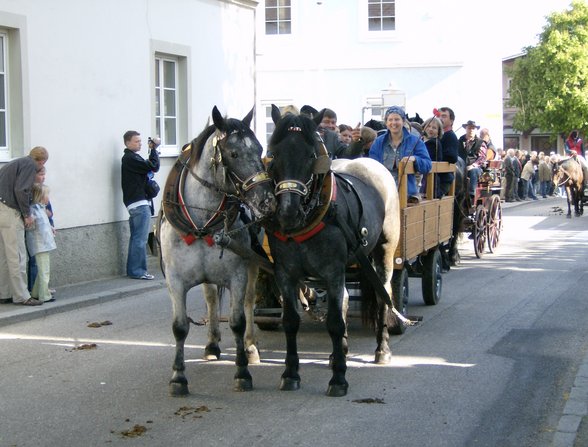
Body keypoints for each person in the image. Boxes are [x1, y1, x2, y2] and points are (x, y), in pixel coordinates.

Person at [0, 146, 49, 306]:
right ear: (42, 161)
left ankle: (5, 293)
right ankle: (22, 296)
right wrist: (27, 214)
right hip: (11, 212)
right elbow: (22, 190)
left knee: (4, 256)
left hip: (2, 209)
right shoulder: (29, 165)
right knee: (18, 256)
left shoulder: (14, 164)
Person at [369, 105, 432, 202]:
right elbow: (372, 165)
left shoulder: (415, 141)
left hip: (407, 193)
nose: (393, 123)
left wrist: (415, 159)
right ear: (386, 122)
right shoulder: (378, 142)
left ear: (403, 121)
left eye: (397, 119)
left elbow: (428, 165)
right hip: (382, 191)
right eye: (390, 120)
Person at [121, 130, 160, 280]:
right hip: (139, 204)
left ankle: (133, 270)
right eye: (136, 141)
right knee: (140, 239)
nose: (140, 143)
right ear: (127, 143)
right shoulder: (130, 158)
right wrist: (154, 149)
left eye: (140, 141)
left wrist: (152, 150)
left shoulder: (131, 158)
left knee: (136, 238)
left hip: (135, 204)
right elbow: (153, 166)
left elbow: (149, 167)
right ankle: (138, 271)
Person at [26, 166, 55, 294]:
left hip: (44, 240)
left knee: (43, 268)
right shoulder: (32, 195)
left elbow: (49, 214)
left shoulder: (41, 197)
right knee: (37, 266)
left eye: (44, 175)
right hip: (39, 241)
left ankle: (40, 290)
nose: (43, 177)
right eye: (41, 175)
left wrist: (51, 225)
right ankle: (37, 291)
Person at [458, 120, 487, 199]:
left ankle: (471, 195)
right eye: (469, 128)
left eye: (473, 128)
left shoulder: (481, 143)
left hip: (476, 168)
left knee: (473, 171)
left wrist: (473, 165)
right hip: (461, 166)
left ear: (476, 130)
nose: (471, 130)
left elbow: (482, 158)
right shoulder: (459, 141)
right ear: (466, 129)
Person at [420, 116, 444, 197]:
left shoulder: (434, 143)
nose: (430, 129)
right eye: (429, 126)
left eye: (434, 128)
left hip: (429, 177)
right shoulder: (420, 141)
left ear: (438, 132)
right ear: (424, 127)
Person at [437, 107, 459, 196]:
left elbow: (452, 157)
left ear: (451, 121)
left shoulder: (450, 136)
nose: (440, 118)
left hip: (443, 178)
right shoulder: (435, 136)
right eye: (438, 116)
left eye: (444, 116)